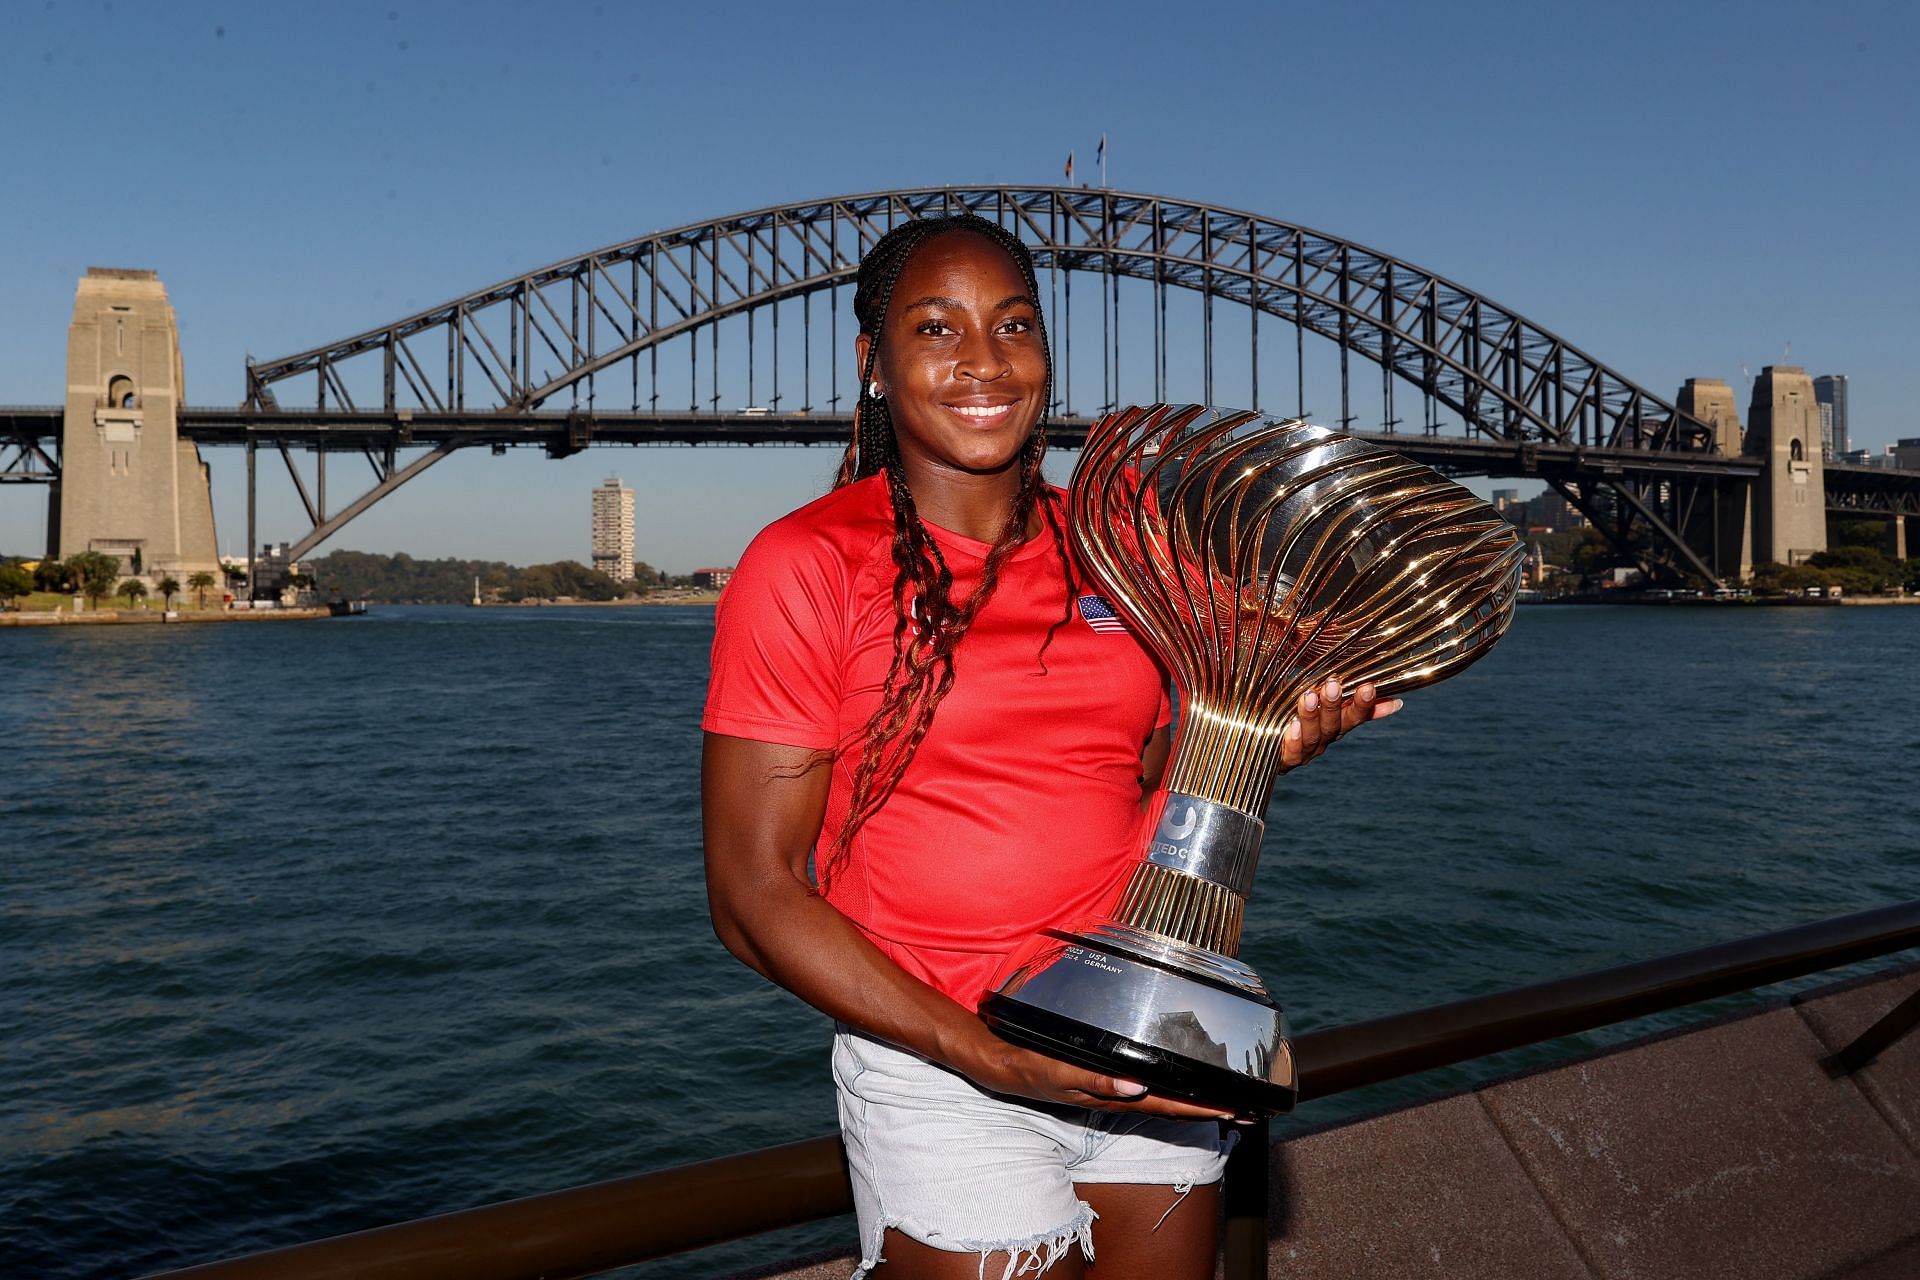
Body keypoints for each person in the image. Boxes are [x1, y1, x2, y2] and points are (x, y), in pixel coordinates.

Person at [702, 213, 1396, 1280]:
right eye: (936, 328)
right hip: (947, 1064)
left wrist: (1265, 734)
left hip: (1143, 1038)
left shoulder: (1129, 548)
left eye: (1013, 324)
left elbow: (1142, 766)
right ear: (872, 365)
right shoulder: (806, 564)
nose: (983, 360)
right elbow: (752, 894)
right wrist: (975, 1047)